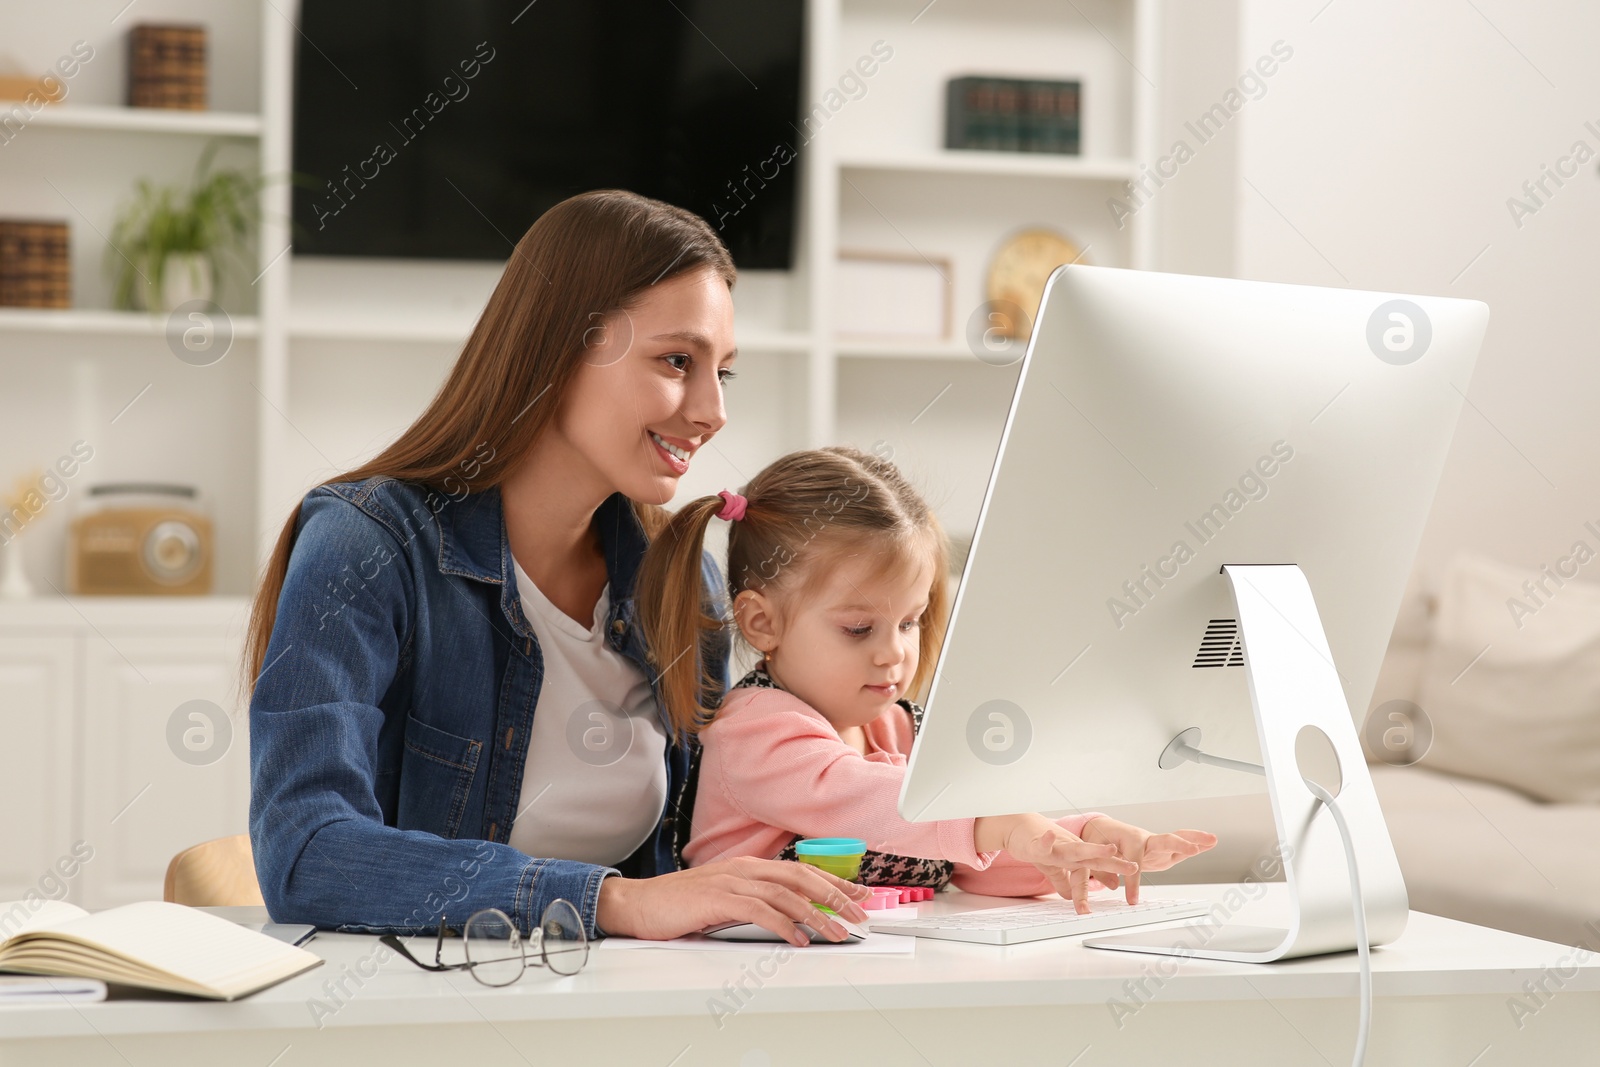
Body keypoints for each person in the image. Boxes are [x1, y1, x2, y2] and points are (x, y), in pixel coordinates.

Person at [245, 190, 870, 949]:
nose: (712, 410)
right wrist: (611, 900)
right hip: (417, 1009)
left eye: (722, 373)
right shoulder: (366, 545)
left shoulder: (681, 583)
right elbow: (307, 851)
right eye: (678, 361)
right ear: (562, 347)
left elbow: (711, 847)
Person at [636, 446, 1218, 913]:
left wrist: (1079, 843)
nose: (894, 653)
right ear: (763, 623)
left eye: (910, 622)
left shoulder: (897, 729)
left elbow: (972, 861)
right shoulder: (756, 734)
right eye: (859, 628)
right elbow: (873, 804)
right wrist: (1005, 823)